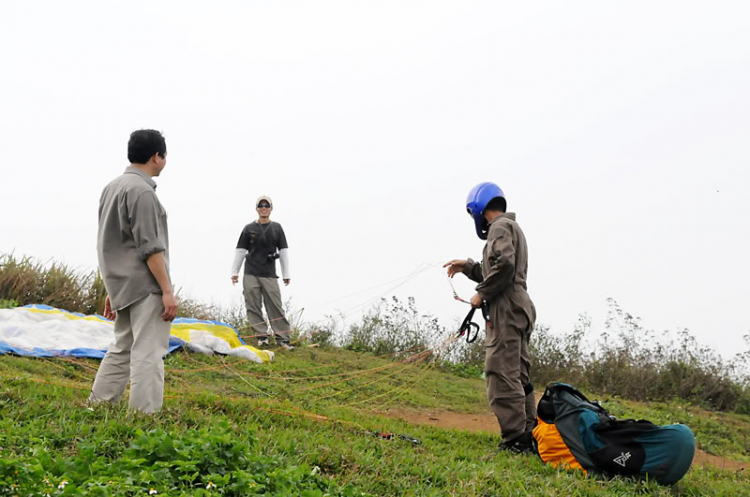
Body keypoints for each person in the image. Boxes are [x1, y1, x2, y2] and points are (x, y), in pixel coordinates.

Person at [444, 182, 537, 454]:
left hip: (506, 306)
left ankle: (516, 439)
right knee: (518, 372)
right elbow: (500, 267)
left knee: (500, 371)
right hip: (519, 304)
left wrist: (481, 294)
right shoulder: (512, 228)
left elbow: (504, 266)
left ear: (478, 209)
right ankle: (529, 433)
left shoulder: (498, 228)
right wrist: (469, 267)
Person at [89, 129, 177, 414]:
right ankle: (144, 417)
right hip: (145, 285)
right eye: (164, 155)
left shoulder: (112, 187)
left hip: (121, 285)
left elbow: (112, 241)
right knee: (148, 352)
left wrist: (111, 289)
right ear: (156, 156)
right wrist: (166, 290)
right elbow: (149, 248)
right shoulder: (142, 192)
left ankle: (99, 405)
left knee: (122, 347)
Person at [231, 195, 294, 350]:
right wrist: (235, 272)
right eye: (261, 205)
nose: (264, 208)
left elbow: (283, 251)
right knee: (253, 304)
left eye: (267, 205)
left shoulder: (277, 228)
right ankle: (261, 336)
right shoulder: (248, 229)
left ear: (271, 208)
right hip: (251, 272)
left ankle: (283, 338)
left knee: (275, 305)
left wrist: (286, 274)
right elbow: (240, 250)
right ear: (256, 209)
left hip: (269, 273)